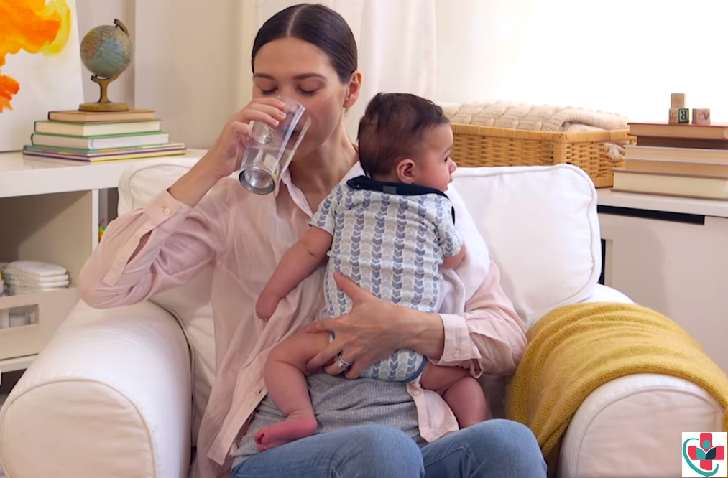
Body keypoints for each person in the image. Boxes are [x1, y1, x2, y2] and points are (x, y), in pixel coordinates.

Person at [77, 3, 547, 478]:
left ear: (351, 90)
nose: (284, 107)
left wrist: (407, 327)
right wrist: (211, 167)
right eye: (266, 88)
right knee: (380, 452)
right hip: (283, 444)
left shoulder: (425, 195)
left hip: (413, 432)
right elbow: (104, 286)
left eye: (307, 88)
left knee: (508, 442)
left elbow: (505, 337)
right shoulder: (235, 201)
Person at [253, 92, 488, 452]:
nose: (452, 168)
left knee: (282, 359)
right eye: (445, 159)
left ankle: (299, 414)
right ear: (407, 170)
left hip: (338, 344)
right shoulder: (438, 208)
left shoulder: (344, 197)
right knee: (462, 383)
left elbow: (308, 249)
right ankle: (475, 432)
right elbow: (455, 260)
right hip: (411, 354)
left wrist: (271, 294)